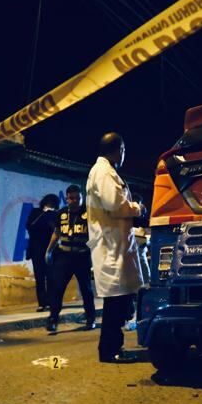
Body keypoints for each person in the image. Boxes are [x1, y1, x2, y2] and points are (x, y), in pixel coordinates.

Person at [86, 132, 144, 363]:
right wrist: (138, 208)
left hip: (115, 245)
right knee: (115, 302)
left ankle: (112, 347)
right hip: (110, 247)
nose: (123, 155)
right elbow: (115, 205)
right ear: (118, 149)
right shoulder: (103, 172)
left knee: (118, 300)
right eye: (123, 150)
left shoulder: (104, 171)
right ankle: (109, 351)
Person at [44, 185, 96, 333]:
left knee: (86, 289)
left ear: (82, 198)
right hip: (64, 256)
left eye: (78, 198)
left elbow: (97, 235)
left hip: (82, 256)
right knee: (58, 288)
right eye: (71, 198)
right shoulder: (61, 214)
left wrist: (88, 248)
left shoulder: (89, 213)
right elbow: (57, 233)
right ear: (66, 198)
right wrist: (49, 251)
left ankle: (90, 319)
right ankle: (53, 320)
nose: (74, 201)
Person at [26, 193, 59, 311]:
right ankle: (42, 303)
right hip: (36, 250)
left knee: (51, 277)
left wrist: (51, 215)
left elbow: (56, 230)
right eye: (49, 204)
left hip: (51, 250)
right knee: (39, 278)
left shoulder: (55, 215)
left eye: (53, 205)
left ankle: (51, 302)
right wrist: (44, 214)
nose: (51, 206)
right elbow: (30, 226)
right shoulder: (36, 212)